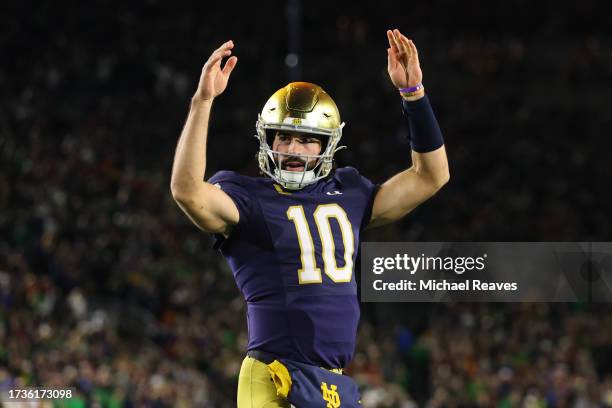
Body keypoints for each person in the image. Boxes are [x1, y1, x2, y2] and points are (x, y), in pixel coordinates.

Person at [170, 29, 449, 407]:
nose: (292, 149)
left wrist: (413, 94)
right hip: (273, 375)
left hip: (331, 383)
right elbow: (187, 190)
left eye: (306, 140)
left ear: (327, 145)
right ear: (267, 141)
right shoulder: (247, 197)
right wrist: (203, 101)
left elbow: (432, 175)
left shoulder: (350, 192)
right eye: (282, 138)